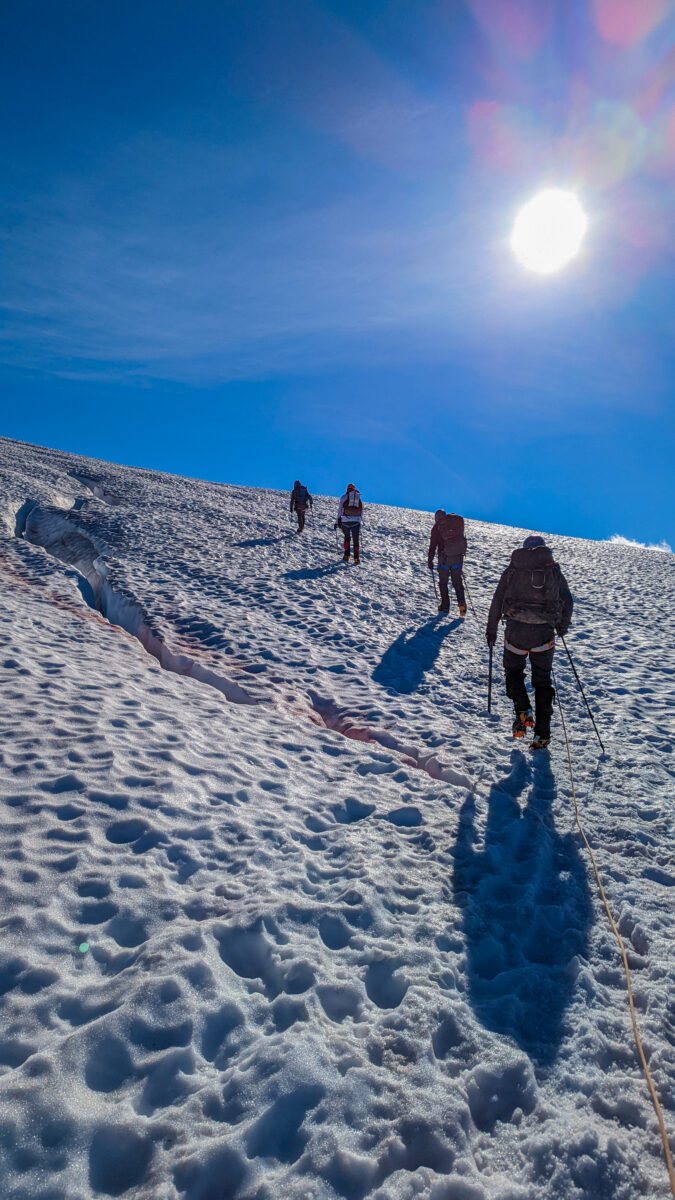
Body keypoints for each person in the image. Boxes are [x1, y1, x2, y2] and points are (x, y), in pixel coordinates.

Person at [486, 535, 573, 749]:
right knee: (542, 682)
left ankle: (522, 709)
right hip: (544, 633)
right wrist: (561, 626)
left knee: (513, 673)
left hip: (516, 631)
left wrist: (492, 630)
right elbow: (567, 599)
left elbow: (497, 599)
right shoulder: (552, 570)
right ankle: (542, 734)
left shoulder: (513, 569)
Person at [428, 510, 467, 616]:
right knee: (457, 583)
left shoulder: (437, 528)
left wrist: (430, 560)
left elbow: (433, 545)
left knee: (443, 583)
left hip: (444, 559)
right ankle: (462, 608)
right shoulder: (455, 523)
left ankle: (445, 607)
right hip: (457, 559)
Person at [335, 484, 363, 563]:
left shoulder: (344, 497)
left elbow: (340, 509)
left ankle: (346, 556)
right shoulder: (358, 498)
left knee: (347, 538)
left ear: (347, 489)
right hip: (356, 522)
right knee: (356, 540)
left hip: (345, 521)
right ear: (354, 489)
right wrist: (359, 520)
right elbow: (361, 510)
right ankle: (356, 558)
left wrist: (337, 521)